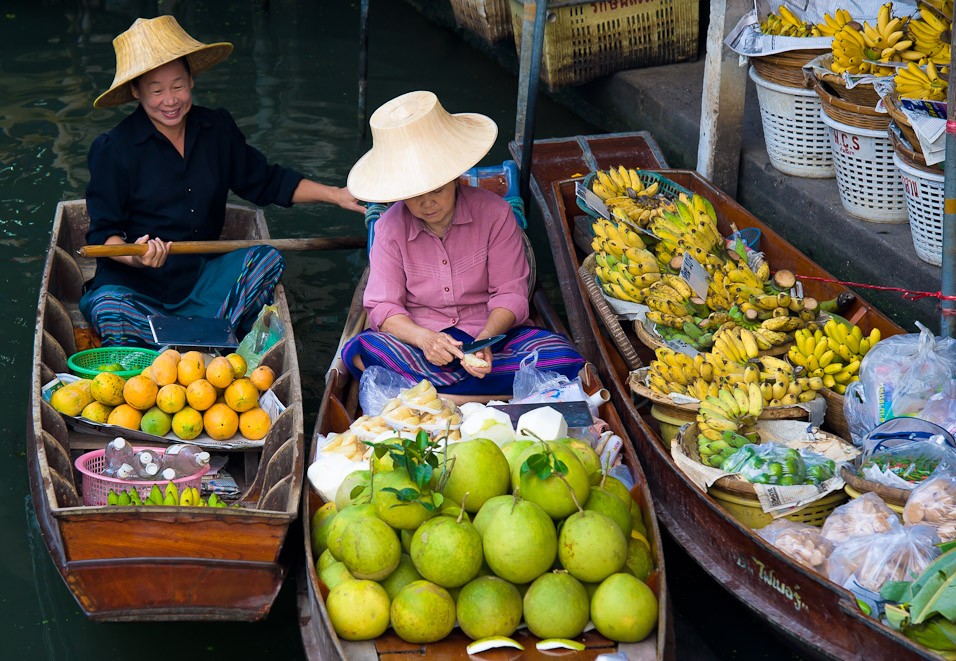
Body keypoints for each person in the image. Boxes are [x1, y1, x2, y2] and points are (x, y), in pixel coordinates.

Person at [79, 16, 364, 347]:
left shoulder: (217, 129)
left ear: (192, 81)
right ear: (136, 92)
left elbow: (267, 181)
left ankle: (179, 342)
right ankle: (210, 341)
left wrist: (336, 195)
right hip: (135, 288)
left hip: (200, 280)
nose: (169, 100)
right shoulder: (114, 148)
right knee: (109, 308)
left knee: (266, 260)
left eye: (178, 86)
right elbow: (103, 235)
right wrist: (136, 256)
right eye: (156, 91)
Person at [341, 91, 585, 396]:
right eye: (415, 195)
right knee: (360, 349)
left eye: (438, 190)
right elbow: (384, 307)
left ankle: (439, 394)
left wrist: (485, 341)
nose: (427, 203)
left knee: (563, 357)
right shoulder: (389, 228)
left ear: (456, 179)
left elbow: (510, 293)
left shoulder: (495, 214)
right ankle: (487, 392)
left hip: (493, 336)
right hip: (422, 343)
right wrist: (426, 339)